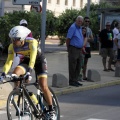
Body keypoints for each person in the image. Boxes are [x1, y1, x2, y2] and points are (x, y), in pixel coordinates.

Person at [0, 26, 56, 120]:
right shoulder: (12, 46)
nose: (13, 42)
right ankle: (22, 93)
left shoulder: (32, 42)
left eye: (15, 39)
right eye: (12, 39)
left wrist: (29, 72)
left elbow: (33, 58)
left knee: (43, 85)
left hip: (39, 61)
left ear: (22, 39)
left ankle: (51, 110)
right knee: (15, 74)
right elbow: (9, 61)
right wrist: (3, 74)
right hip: (26, 60)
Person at [66, 16, 84, 87]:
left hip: (79, 49)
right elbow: (68, 39)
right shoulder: (73, 27)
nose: (80, 22)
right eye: (78, 21)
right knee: (72, 65)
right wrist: (68, 48)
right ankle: (72, 80)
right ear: (76, 21)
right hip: (73, 48)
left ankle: (75, 80)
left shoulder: (80, 28)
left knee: (79, 65)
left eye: (81, 21)